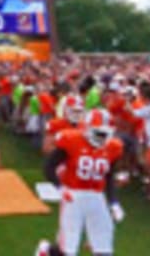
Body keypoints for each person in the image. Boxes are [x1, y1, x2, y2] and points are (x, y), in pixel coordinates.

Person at [36, 109, 124, 256]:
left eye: (105, 133)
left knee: (104, 246)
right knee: (68, 249)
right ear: (87, 128)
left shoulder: (113, 147)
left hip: (97, 195)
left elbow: (108, 176)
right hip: (73, 194)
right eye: (98, 132)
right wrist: (61, 188)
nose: (101, 137)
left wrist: (114, 202)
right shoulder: (72, 141)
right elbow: (49, 167)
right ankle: (47, 251)